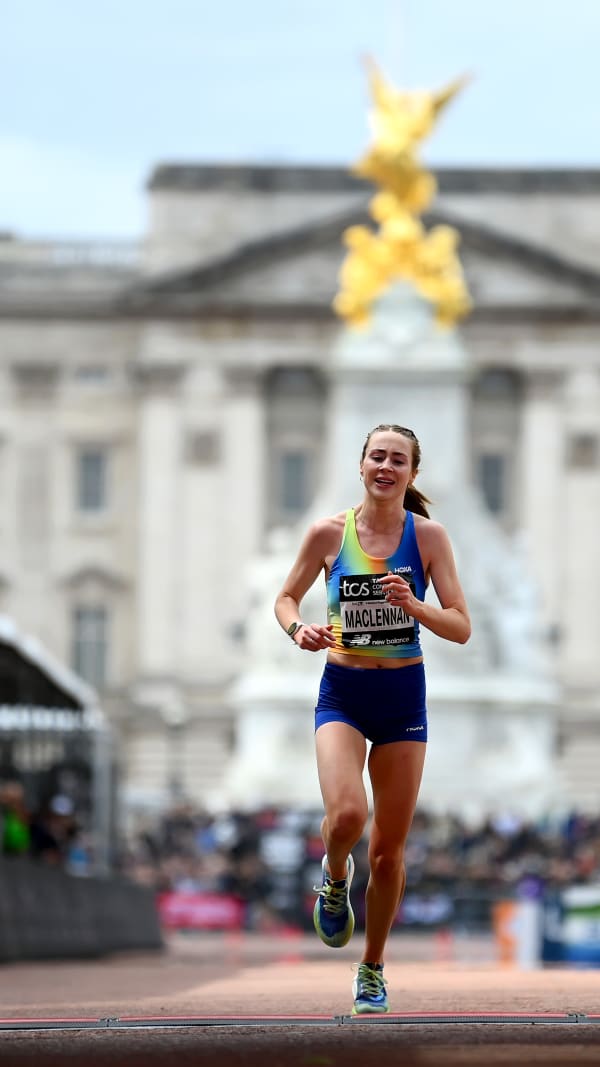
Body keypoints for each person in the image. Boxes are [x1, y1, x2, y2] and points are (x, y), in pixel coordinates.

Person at [274, 423, 471, 1015]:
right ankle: (335, 874)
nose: (386, 467)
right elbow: (285, 598)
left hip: (402, 697)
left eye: (398, 460)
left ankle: (372, 967)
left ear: (412, 473)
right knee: (346, 817)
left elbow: (461, 625)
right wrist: (298, 629)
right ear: (360, 465)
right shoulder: (327, 533)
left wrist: (415, 606)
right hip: (344, 691)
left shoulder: (429, 537)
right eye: (377, 456)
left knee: (387, 853)